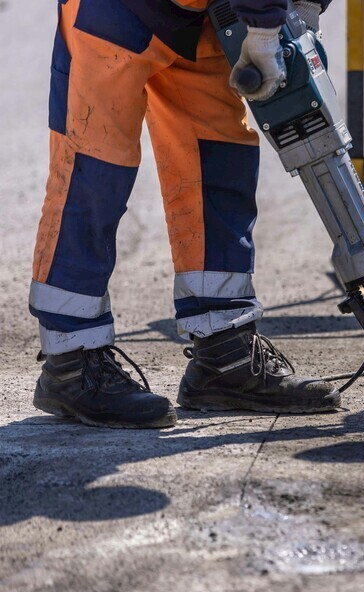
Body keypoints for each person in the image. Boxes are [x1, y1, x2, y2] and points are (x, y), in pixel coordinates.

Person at [30, 0, 339, 429]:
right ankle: (71, 360)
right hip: (113, 10)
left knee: (216, 159)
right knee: (93, 169)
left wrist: (302, 6)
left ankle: (224, 353)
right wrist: (266, 28)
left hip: (205, 13)